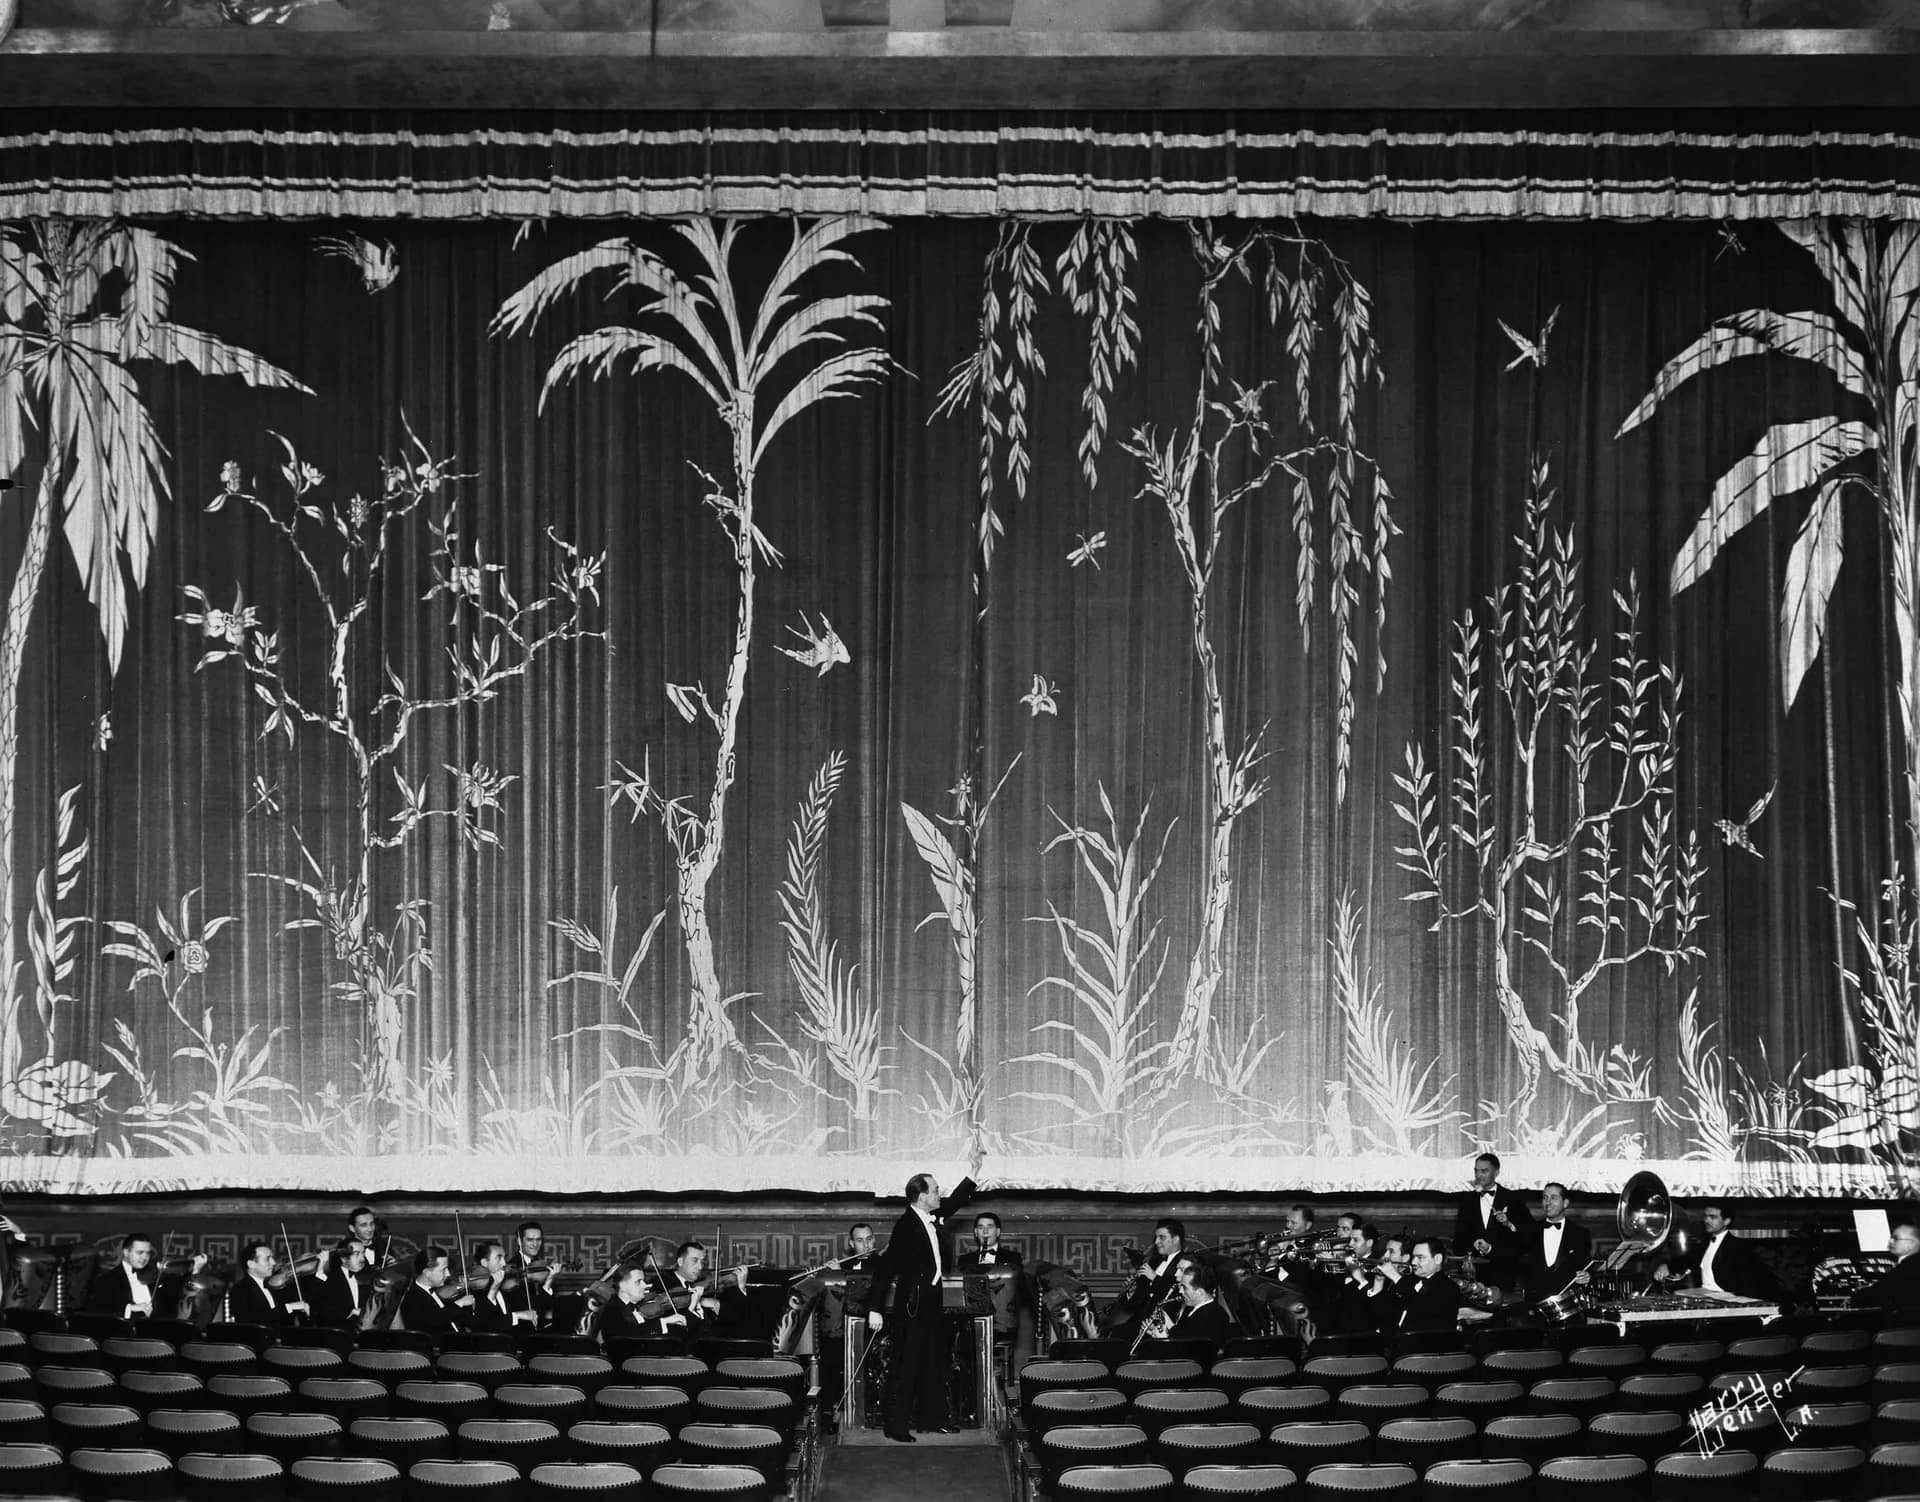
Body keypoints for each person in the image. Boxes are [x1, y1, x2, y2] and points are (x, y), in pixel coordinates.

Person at [866, 1170, 975, 1442]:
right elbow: (885, 1269)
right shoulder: (906, 1226)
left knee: (934, 1362)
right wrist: (875, 1308)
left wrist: (973, 1172)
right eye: (936, 1190)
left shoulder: (931, 1215)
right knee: (906, 1365)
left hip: (931, 1302)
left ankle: (933, 1420)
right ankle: (896, 1427)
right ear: (922, 1196)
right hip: (912, 1306)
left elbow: (955, 1202)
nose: (940, 1194)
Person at [1656, 1203, 1780, 1300]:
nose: (1706, 1220)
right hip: (1705, 1294)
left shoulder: (1739, 1247)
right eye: (1705, 1216)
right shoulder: (1702, 1245)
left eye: (1713, 1217)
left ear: (1726, 1221)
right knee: (1677, 1295)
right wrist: (1667, 1266)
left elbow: (1750, 1282)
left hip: (1727, 1296)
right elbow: (1686, 1260)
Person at [1453, 1153, 1529, 1289]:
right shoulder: (1466, 1201)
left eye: (1484, 1171)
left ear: (1497, 1172)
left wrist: (1508, 1224)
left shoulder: (1513, 1199)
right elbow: (1459, 1238)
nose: (1478, 1175)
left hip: (1503, 1275)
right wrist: (1467, 1257)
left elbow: (1526, 1235)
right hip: (1473, 1277)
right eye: (1476, 1171)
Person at [1522, 1182, 1594, 1304]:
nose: (1547, 1202)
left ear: (1565, 1203)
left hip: (1568, 1304)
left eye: (1553, 1198)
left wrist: (1587, 1276)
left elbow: (1585, 1267)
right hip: (1534, 1305)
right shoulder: (1529, 1230)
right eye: (1545, 1197)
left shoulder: (1580, 1234)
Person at [645, 1241, 724, 1345]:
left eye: (702, 1262)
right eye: (694, 1260)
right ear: (680, 1261)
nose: (700, 1267)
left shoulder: (703, 1285)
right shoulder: (661, 1283)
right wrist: (698, 1301)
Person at [228, 1240, 310, 1330]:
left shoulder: (276, 1285)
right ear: (251, 1264)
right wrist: (289, 1307)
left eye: (272, 1258)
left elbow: (303, 1300)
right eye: (267, 1259)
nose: (273, 1262)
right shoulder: (239, 1289)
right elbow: (254, 1320)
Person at [85, 1233, 165, 1320]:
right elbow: (99, 1313)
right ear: (126, 1252)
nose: (145, 1257)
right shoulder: (107, 1279)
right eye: (140, 1252)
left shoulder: (154, 1277)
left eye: (148, 1253)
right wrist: (129, 1308)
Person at [1161, 1255, 1233, 1351]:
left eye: (1184, 1287)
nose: (1180, 1291)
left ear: (1200, 1292)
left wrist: (1163, 1338)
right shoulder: (1196, 1309)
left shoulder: (1213, 1315)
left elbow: (1190, 1351)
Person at [1395, 1237, 1466, 1331]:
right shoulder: (1410, 1280)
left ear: (1437, 1259)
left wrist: (1395, 1277)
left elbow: (1420, 1309)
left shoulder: (1448, 1288)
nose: (1413, 1262)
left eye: (1420, 1258)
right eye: (1413, 1257)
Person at [397, 1246, 472, 1333]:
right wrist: (460, 1303)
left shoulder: (439, 1291)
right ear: (427, 1272)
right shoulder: (412, 1298)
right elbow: (435, 1320)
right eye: (443, 1270)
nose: (448, 1274)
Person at [309, 1238, 372, 1329]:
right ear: (343, 1258)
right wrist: (320, 1269)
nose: (362, 1258)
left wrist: (364, 1312)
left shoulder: (369, 1278)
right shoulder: (331, 1280)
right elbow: (318, 1308)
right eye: (357, 1254)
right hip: (339, 1335)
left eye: (363, 1253)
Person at [1861, 1221, 1920, 1318]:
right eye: (1891, 1238)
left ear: (1912, 1243)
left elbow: (1876, 1294)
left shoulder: (1906, 1268)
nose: (1890, 1241)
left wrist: (1855, 1296)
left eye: (1895, 1238)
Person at [504, 1220, 556, 1328]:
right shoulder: (511, 1269)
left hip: (537, 1329)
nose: (535, 1244)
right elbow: (523, 1306)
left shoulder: (541, 1267)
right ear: (519, 1241)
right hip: (518, 1330)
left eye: (538, 1239)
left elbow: (543, 1307)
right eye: (530, 1240)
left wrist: (549, 1280)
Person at [468, 1241, 517, 1330]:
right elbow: (483, 1324)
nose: (504, 1263)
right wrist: (493, 1289)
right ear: (484, 1262)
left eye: (504, 1258)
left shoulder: (504, 1283)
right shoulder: (475, 1289)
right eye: (499, 1258)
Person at [596, 1265, 652, 1342]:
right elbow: (625, 1338)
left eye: (644, 1281)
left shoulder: (639, 1306)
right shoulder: (611, 1310)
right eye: (638, 1282)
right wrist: (662, 1323)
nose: (645, 1285)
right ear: (622, 1285)